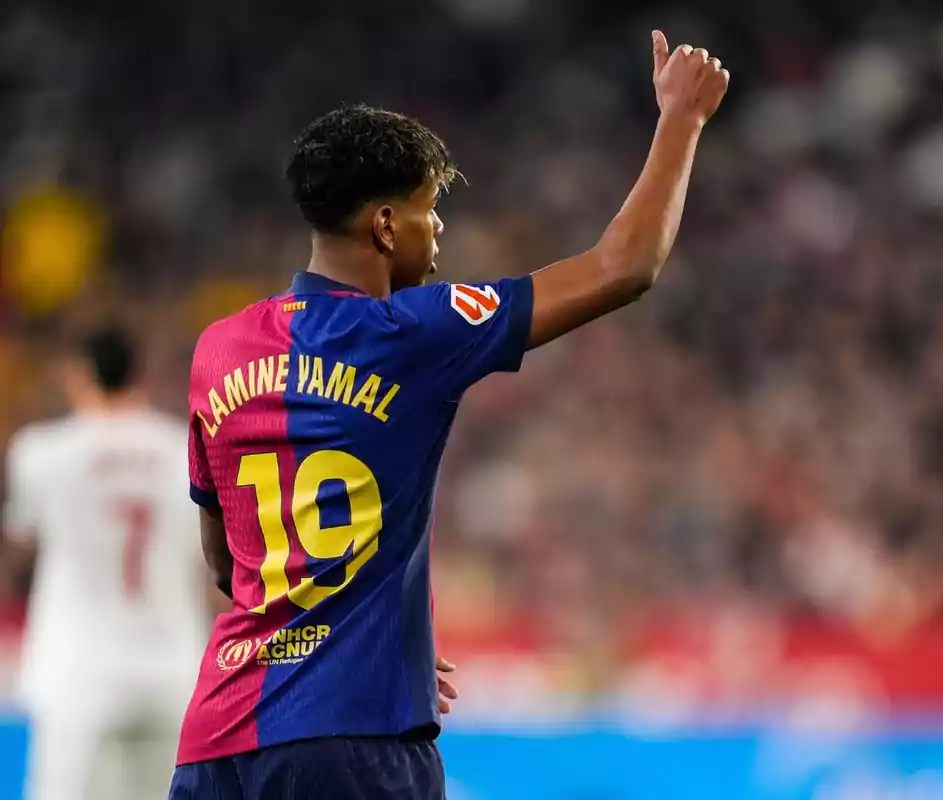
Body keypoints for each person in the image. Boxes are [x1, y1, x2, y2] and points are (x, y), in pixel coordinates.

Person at [169, 30, 728, 799]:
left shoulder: (218, 350)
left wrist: (355, 623)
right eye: (432, 211)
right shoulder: (414, 331)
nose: (440, 233)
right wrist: (681, 121)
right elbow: (624, 266)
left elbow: (229, 563)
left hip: (215, 743)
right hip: (353, 741)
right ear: (387, 225)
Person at [3, 328, 218, 800]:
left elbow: (20, 541)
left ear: (79, 377)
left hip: (77, 670)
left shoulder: (40, 452)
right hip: (171, 664)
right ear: (140, 377)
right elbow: (209, 556)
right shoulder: (185, 449)